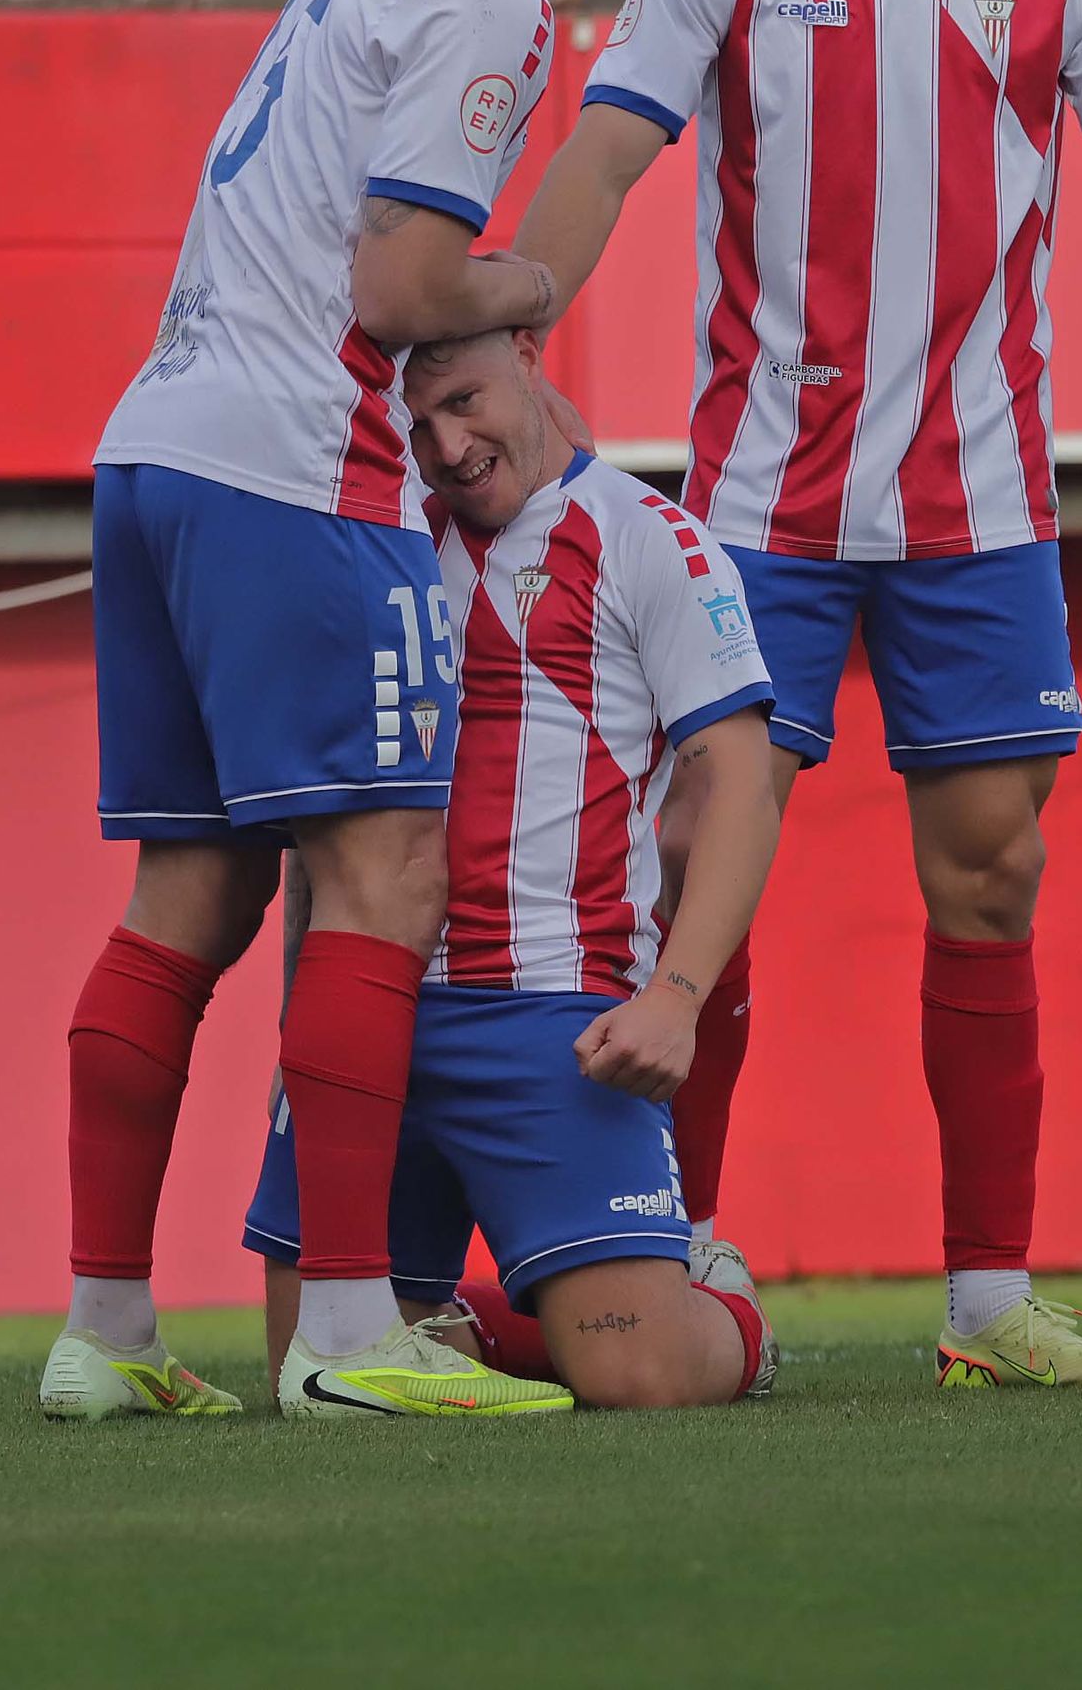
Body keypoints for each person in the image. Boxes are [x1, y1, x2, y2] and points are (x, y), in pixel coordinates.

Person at [514, 0, 1082, 1389]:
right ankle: (670, 1245)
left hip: (978, 510)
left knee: (991, 879)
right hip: (760, 508)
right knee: (703, 870)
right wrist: (495, 347)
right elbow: (607, 152)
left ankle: (990, 1302)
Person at [41, 0, 714, 1423]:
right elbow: (404, 291)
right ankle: (348, 1331)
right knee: (386, 871)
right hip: (294, 470)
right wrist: (527, 288)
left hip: (159, 444)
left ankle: (104, 1332)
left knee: (185, 893)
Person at [244, 327, 781, 1413]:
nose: (448, 443)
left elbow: (739, 786)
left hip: (553, 1016)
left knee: (642, 1378)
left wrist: (674, 996)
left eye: (466, 399)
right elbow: (338, 817)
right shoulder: (380, 541)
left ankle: (728, 1312)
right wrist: (302, 1012)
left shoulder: (649, 539)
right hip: (376, 1009)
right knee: (307, 1371)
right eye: (419, 421)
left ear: (531, 358)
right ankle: (454, 1329)